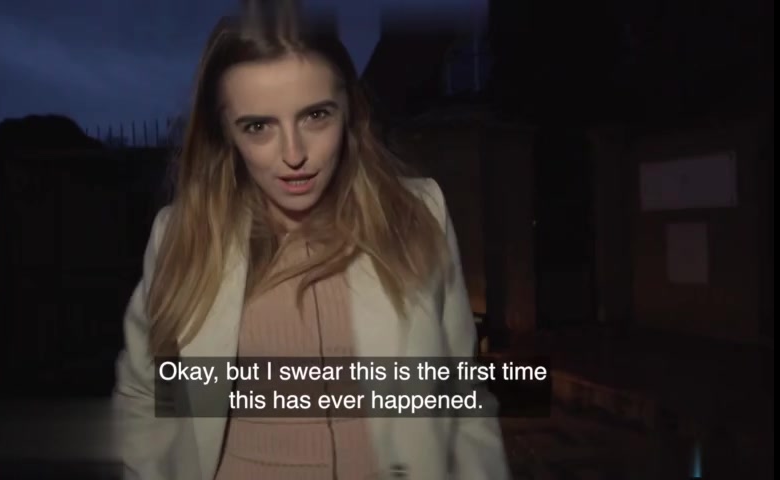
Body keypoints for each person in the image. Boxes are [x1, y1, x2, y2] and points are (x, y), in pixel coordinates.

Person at [112, 1, 511, 479]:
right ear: (225, 133)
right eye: (258, 126)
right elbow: (146, 395)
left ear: (350, 111)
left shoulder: (419, 213)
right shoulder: (181, 235)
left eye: (316, 115)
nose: (294, 154)